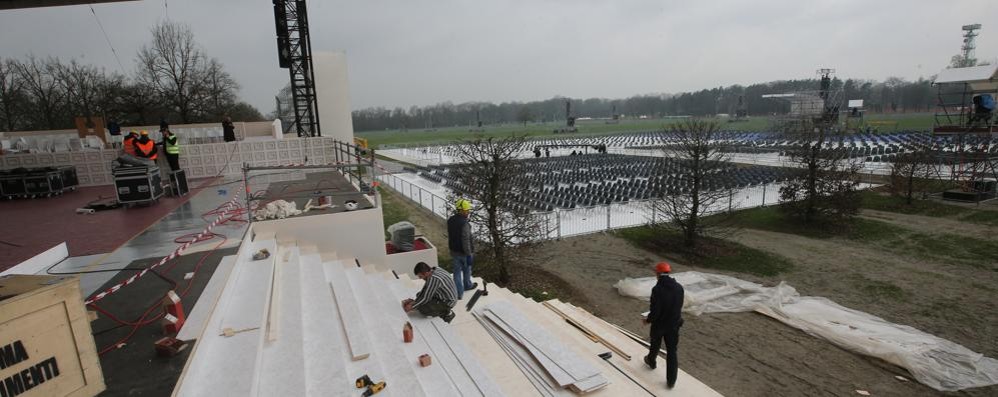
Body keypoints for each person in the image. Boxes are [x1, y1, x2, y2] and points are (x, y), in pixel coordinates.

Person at [643, 261, 684, 389]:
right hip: (673, 324)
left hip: (659, 324)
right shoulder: (679, 287)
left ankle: (651, 361)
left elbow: (655, 311)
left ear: (658, 273)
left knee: (655, 344)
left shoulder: (657, 289)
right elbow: (679, 306)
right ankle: (671, 381)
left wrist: (648, 320)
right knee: (672, 351)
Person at [447, 199, 477, 299]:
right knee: (467, 269)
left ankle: (459, 293)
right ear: (461, 210)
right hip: (464, 253)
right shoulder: (464, 223)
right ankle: (467, 285)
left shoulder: (450, 220)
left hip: (454, 251)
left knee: (456, 273)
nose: (468, 212)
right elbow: (466, 240)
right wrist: (469, 254)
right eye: (466, 210)